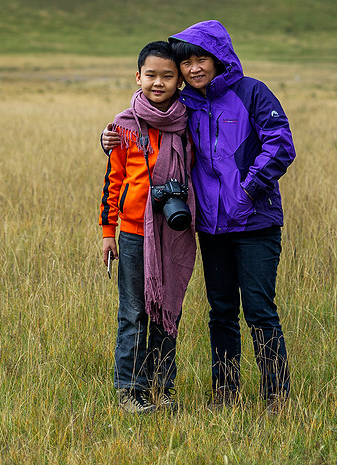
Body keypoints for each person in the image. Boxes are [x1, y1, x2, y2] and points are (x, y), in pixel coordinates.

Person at [102, 20, 296, 413]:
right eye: (186, 62)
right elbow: (146, 119)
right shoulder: (186, 102)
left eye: (200, 59)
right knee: (221, 311)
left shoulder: (252, 92)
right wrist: (109, 137)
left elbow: (281, 145)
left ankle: (276, 397)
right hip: (209, 225)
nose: (193, 69)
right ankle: (226, 393)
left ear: (219, 57)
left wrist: (247, 190)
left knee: (259, 310)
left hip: (255, 221)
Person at [99, 41, 198, 414]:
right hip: (135, 233)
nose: (159, 82)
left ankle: (163, 386)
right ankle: (130, 390)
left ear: (179, 81)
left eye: (168, 76)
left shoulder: (189, 123)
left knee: (168, 310)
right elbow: (113, 181)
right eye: (151, 75)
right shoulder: (123, 125)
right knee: (134, 313)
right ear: (137, 77)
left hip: (173, 235)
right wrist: (109, 233)